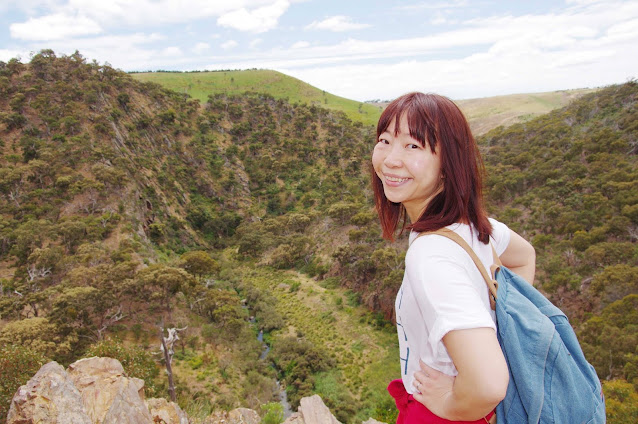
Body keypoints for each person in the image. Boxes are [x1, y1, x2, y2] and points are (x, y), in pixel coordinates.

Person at [371, 92, 536, 423]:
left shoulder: (432, 255)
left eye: (412, 146)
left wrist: (449, 402)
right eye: (385, 140)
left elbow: (488, 385)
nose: (389, 159)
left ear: (449, 164)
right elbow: (524, 257)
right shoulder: (477, 227)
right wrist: (497, 325)